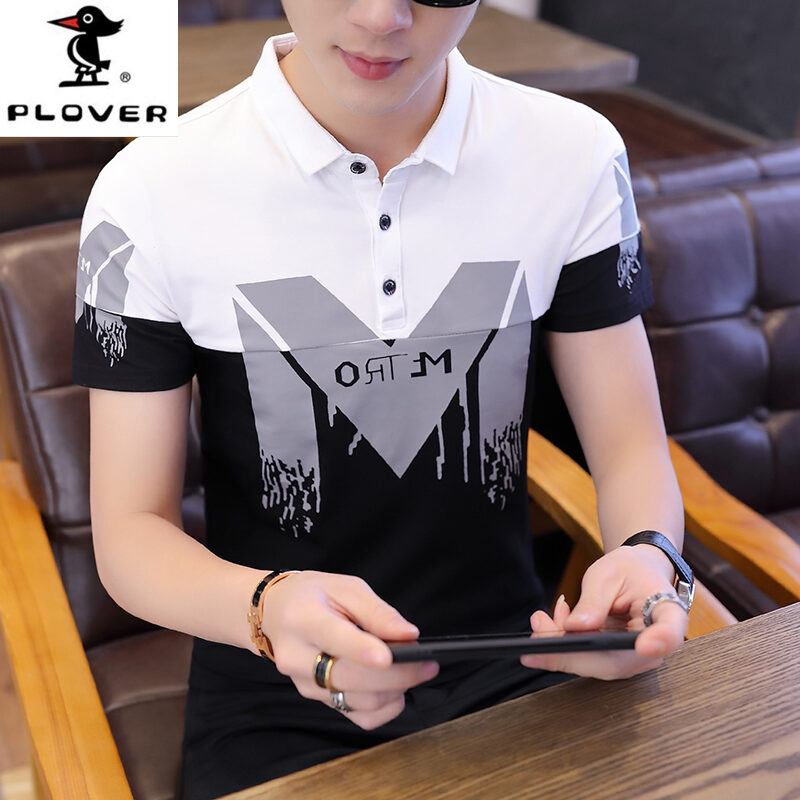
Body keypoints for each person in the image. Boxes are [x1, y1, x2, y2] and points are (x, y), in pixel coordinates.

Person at [72, 1, 690, 798]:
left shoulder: (571, 153)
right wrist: (265, 609)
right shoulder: (149, 188)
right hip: (275, 679)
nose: (381, 16)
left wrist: (650, 555)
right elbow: (130, 534)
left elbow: (631, 446)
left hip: (521, 661)